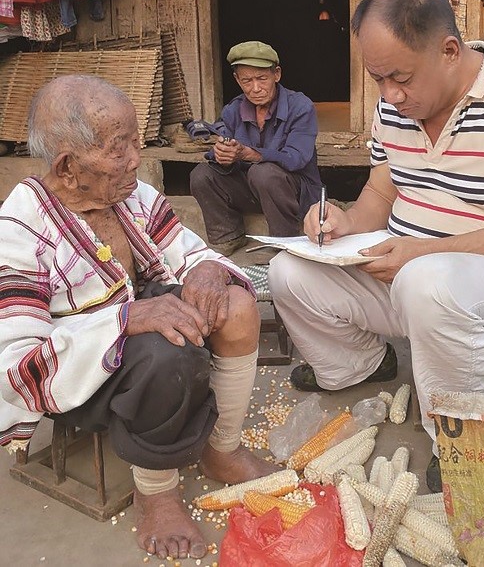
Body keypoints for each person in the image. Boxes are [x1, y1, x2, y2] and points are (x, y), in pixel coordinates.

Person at [268, 0, 484, 491]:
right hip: (408, 276)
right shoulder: (394, 109)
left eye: (401, 78)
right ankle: (360, 366)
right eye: (378, 80)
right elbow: (381, 194)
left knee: (429, 283)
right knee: (288, 271)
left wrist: (425, 252)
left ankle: (461, 446)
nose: (390, 95)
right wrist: (344, 222)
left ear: (449, 50)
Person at [0, 75, 278, 560]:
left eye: (135, 140)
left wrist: (210, 270)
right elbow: (18, 366)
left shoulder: (131, 195)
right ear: (67, 167)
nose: (135, 158)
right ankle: (158, 493)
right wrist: (125, 319)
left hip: (135, 323)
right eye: (118, 148)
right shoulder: (19, 230)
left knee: (236, 304)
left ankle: (222, 447)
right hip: (78, 372)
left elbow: (188, 253)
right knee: (165, 349)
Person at [190, 40, 323, 256]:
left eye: (262, 78)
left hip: (296, 194)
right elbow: (221, 146)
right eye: (247, 81)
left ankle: (283, 245)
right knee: (202, 174)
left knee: (265, 172)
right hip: (254, 191)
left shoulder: (300, 106)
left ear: (276, 74)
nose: (255, 88)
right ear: (237, 80)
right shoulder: (233, 110)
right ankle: (227, 239)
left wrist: (250, 154)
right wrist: (222, 154)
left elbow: (296, 159)